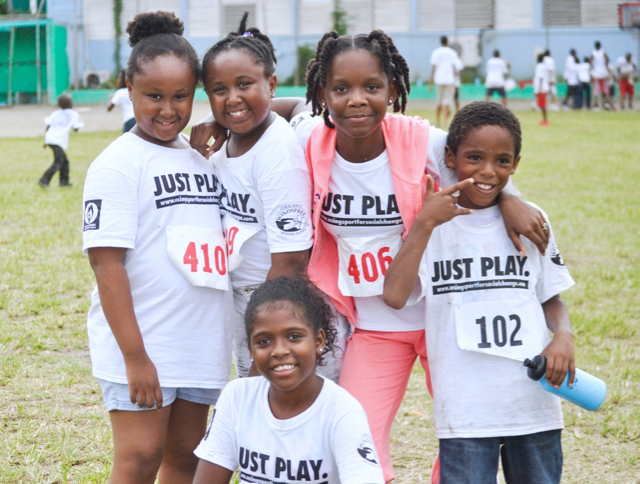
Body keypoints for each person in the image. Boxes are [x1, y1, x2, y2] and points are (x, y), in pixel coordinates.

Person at [264, 30, 550, 484]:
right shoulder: (309, 140)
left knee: (465, 438)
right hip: (375, 326)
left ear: (392, 89)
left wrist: (512, 198)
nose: (357, 100)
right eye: (342, 89)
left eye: (372, 87)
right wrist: (219, 126)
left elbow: (480, 165)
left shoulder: (422, 141)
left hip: (445, 319)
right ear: (323, 92)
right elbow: (276, 107)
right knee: (353, 437)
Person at [384, 101, 576, 484]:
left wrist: (564, 336)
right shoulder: (432, 223)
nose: (488, 172)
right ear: (451, 157)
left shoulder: (531, 218)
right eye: (474, 157)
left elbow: (550, 296)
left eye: (502, 161)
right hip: (465, 409)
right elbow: (395, 295)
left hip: (532, 401)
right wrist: (423, 224)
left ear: (516, 164)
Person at [82, 11, 233, 483]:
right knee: (140, 458)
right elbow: (108, 267)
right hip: (145, 344)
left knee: (186, 460)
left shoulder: (203, 157)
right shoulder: (118, 164)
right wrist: (135, 357)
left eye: (181, 96)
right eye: (154, 96)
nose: (168, 110)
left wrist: (222, 123)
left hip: (200, 342)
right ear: (128, 88)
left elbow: (287, 108)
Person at [199, 13, 313, 378]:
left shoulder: (277, 153)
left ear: (272, 84)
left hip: (275, 304)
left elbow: (291, 262)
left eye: (245, 84)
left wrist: (265, 341)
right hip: (240, 297)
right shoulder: (229, 140)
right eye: (220, 90)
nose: (233, 98)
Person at [193, 277, 385, 484]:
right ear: (251, 350)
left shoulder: (342, 412)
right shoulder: (237, 397)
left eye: (294, 336)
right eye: (264, 341)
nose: (279, 351)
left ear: (318, 341)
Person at [38, 93, 83, 188]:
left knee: (65, 161)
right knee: (58, 162)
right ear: (70, 104)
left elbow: (48, 126)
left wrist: (45, 140)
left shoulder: (55, 113)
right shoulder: (73, 114)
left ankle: (64, 181)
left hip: (50, 139)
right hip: (58, 141)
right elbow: (76, 129)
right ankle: (44, 180)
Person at [429, 36, 463, 128]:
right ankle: (445, 122)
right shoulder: (452, 53)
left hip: (439, 79)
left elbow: (434, 68)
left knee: (438, 101)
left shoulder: (436, 52)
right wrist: (456, 79)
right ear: (447, 42)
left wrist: (430, 82)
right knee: (447, 101)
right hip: (449, 79)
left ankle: (437, 121)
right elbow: (456, 67)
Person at [590, 41, 610, 110]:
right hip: (603, 73)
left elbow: (590, 61)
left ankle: (596, 105)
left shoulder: (593, 53)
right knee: (605, 90)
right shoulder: (603, 52)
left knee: (596, 91)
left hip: (596, 74)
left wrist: (592, 69)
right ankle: (606, 104)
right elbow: (607, 59)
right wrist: (607, 68)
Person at [534, 53, 550, 125]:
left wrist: (539, 89)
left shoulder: (539, 66)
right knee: (542, 105)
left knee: (543, 105)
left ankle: (545, 120)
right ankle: (544, 120)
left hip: (542, 89)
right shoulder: (544, 66)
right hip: (544, 88)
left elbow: (540, 78)